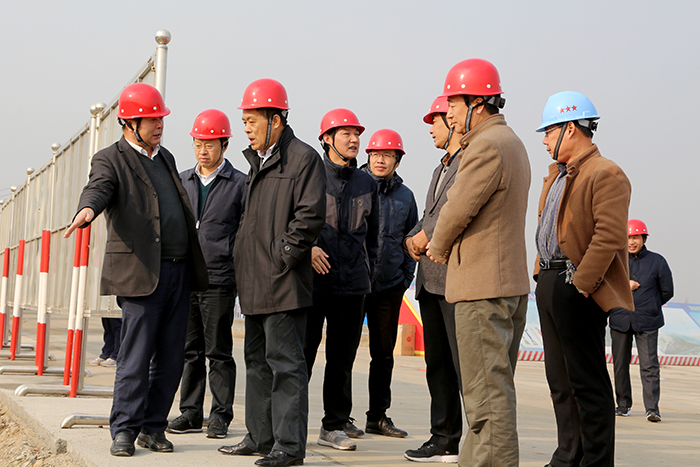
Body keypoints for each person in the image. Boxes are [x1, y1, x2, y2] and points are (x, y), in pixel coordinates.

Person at [64, 83, 209, 457]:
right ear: (130, 123)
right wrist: (88, 209)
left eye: (161, 119)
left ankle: (153, 427)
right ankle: (124, 430)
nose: (159, 125)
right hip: (143, 273)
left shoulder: (166, 158)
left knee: (171, 358)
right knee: (135, 357)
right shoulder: (110, 159)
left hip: (179, 272)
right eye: (151, 120)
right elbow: (99, 188)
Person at [426, 58, 530, 467]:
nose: (449, 114)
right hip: (505, 285)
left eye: (454, 103)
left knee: (486, 397)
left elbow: (456, 207)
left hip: (482, 288)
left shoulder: (485, 146)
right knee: (490, 390)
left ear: (477, 103)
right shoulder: (511, 142)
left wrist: (437, 246)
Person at [217, 79, 326, 467]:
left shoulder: (303, 159)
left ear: (275, 119)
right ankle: (259, 437)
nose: (246, 128)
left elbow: (310, 215)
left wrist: (284, 256)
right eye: (244, 121)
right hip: (253, 281)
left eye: (252, 120)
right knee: (257, 363)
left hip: (283, 282)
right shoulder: (257, 163)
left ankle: (289, 446)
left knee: (286, 366)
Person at [533, 91, 633, 467]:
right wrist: (541, 273)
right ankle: (567, 456)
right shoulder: (558, 175)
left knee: (587, 382)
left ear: (571, 128)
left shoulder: (605, 173)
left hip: (576, 285)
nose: (544, 140)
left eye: (549, 131)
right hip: (549, 280)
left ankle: (596, 461)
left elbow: (609, 236)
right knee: (560, 382)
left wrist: (580, 285)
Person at [167, 109, 246, 439]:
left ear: (224, 145)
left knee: (218, 351)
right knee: (190, 351)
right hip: (186, 278)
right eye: (198, 143)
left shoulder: (240, 183)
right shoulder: (181, 180)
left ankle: (220, 416)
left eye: (210, 144)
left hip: (219, 279)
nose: (203, 150)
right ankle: (190, 412)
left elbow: (244, 231)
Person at [304, 108, 379, 451]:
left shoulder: (366, 182)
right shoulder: (310, 175)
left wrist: (367, 273)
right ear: (326, 138)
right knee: (302, 355)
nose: (354, 139)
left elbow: (373, 238)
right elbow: (293, 220)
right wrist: (308, 249)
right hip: (313, 283)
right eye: (346, 133)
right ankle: (288, 423)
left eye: (356, 134)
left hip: (352, 285)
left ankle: (333, 425)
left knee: (342, 360)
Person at [404, 96, 464, 463]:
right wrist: (412, 237)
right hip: (429, 280)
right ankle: (443, 438)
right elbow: (430, 214)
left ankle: (478, 440)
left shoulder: (468, 163)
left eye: (435, 122)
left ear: (452, 120)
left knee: (463, 366)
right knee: (438, 365)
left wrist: (425, 235)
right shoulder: (439, 168)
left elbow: (455, 211)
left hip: (455, 279)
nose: (430, 130)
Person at [359, 128, 417, 438]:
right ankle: (338, 418)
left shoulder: (405, 197)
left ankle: (377, 417)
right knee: (343, 354)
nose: (381, 160)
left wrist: (405, 278)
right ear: (368, 156)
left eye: (388, 155)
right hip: (354, 286)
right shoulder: (354, 187)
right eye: (376, 154)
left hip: (389, 287)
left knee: (383, 355)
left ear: (397, 160)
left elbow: (411, 240)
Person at [609, 219, 673, 423]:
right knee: (620, 365)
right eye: (628, 237)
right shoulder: (615, 260)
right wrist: (624, 285)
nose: (631, 241)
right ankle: (623, 405)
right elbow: (606, 284)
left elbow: (667, 291)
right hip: (620, 318)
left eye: (635, 237)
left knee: (649, 366)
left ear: (644, 238)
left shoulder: (658, 261)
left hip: (647, 320)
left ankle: (652, 409)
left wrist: (651, 304)